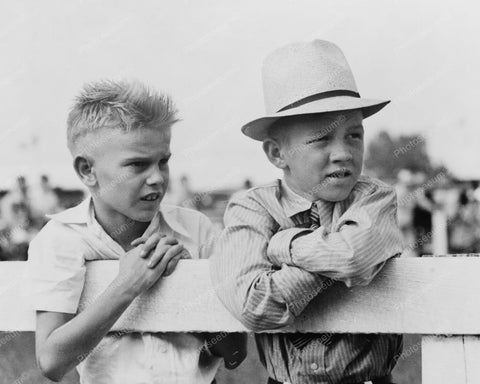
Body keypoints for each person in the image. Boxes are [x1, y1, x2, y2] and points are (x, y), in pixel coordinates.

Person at [210, 40, 404, 384]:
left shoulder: (374, 197)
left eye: (354, 136)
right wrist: (331, 256)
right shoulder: (252, 208)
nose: (343, 153)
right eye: (322, 140)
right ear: (276, 154)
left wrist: (286, 246)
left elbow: (353, 258)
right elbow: (254, 306)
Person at [28, 80, 246, 384]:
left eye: (163, 161)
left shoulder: (195, 229)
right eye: (137, 165)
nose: (157, 178)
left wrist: (187, 282)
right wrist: (128, 284)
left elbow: (235, 355)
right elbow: (51, 362)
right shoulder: (62, 239)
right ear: (87, 171)